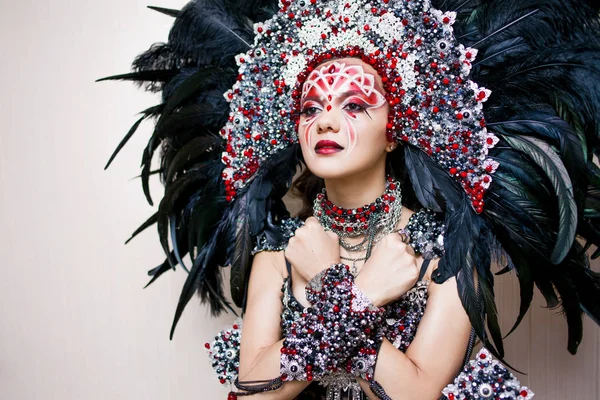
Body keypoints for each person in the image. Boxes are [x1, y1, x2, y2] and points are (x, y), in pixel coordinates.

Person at [101, 0, 600, 398]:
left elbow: (416, 393)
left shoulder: (445, 249)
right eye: (310, 106)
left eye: (355, 104)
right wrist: (358, 297)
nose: (326, 121)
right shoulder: (278, 254)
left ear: (394, 132)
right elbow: (255, 391)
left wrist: (323, 283)